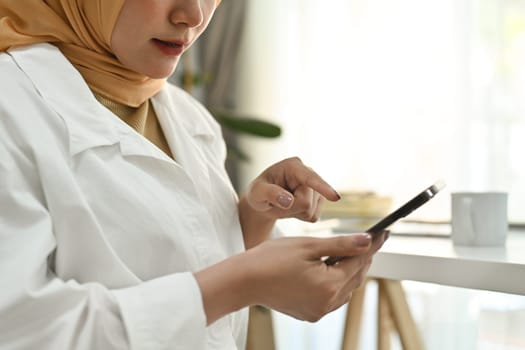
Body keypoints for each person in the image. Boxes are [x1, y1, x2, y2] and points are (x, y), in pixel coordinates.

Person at [0, 1, 387, 349]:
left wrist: (250, 221)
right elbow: (26, 332)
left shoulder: (186, 116)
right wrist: (242, 282)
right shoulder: (11, 106)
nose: (194, 15)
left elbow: (178, 268)